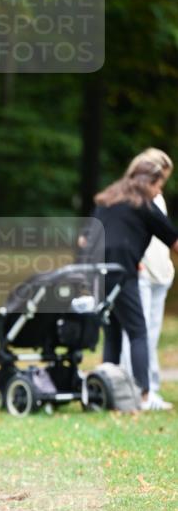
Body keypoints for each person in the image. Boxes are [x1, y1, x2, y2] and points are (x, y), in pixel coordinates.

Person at [89, 149, 178, 411]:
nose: (160, 191)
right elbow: (173, 240)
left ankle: (109, 393)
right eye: (160, 185)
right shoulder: (145, 204)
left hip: (97, 269)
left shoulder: (108, 197)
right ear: (150, 181)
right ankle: (143, 395)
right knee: (139, 332)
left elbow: (88, 237)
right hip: (122, 271)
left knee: (113, 332)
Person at [120, 149, 175, 410]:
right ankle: (135, 389)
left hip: (160, 273)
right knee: (138, 334)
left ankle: (149, 388)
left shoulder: (157, 198)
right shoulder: (132, 199)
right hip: (140, 273)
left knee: (150, 335)